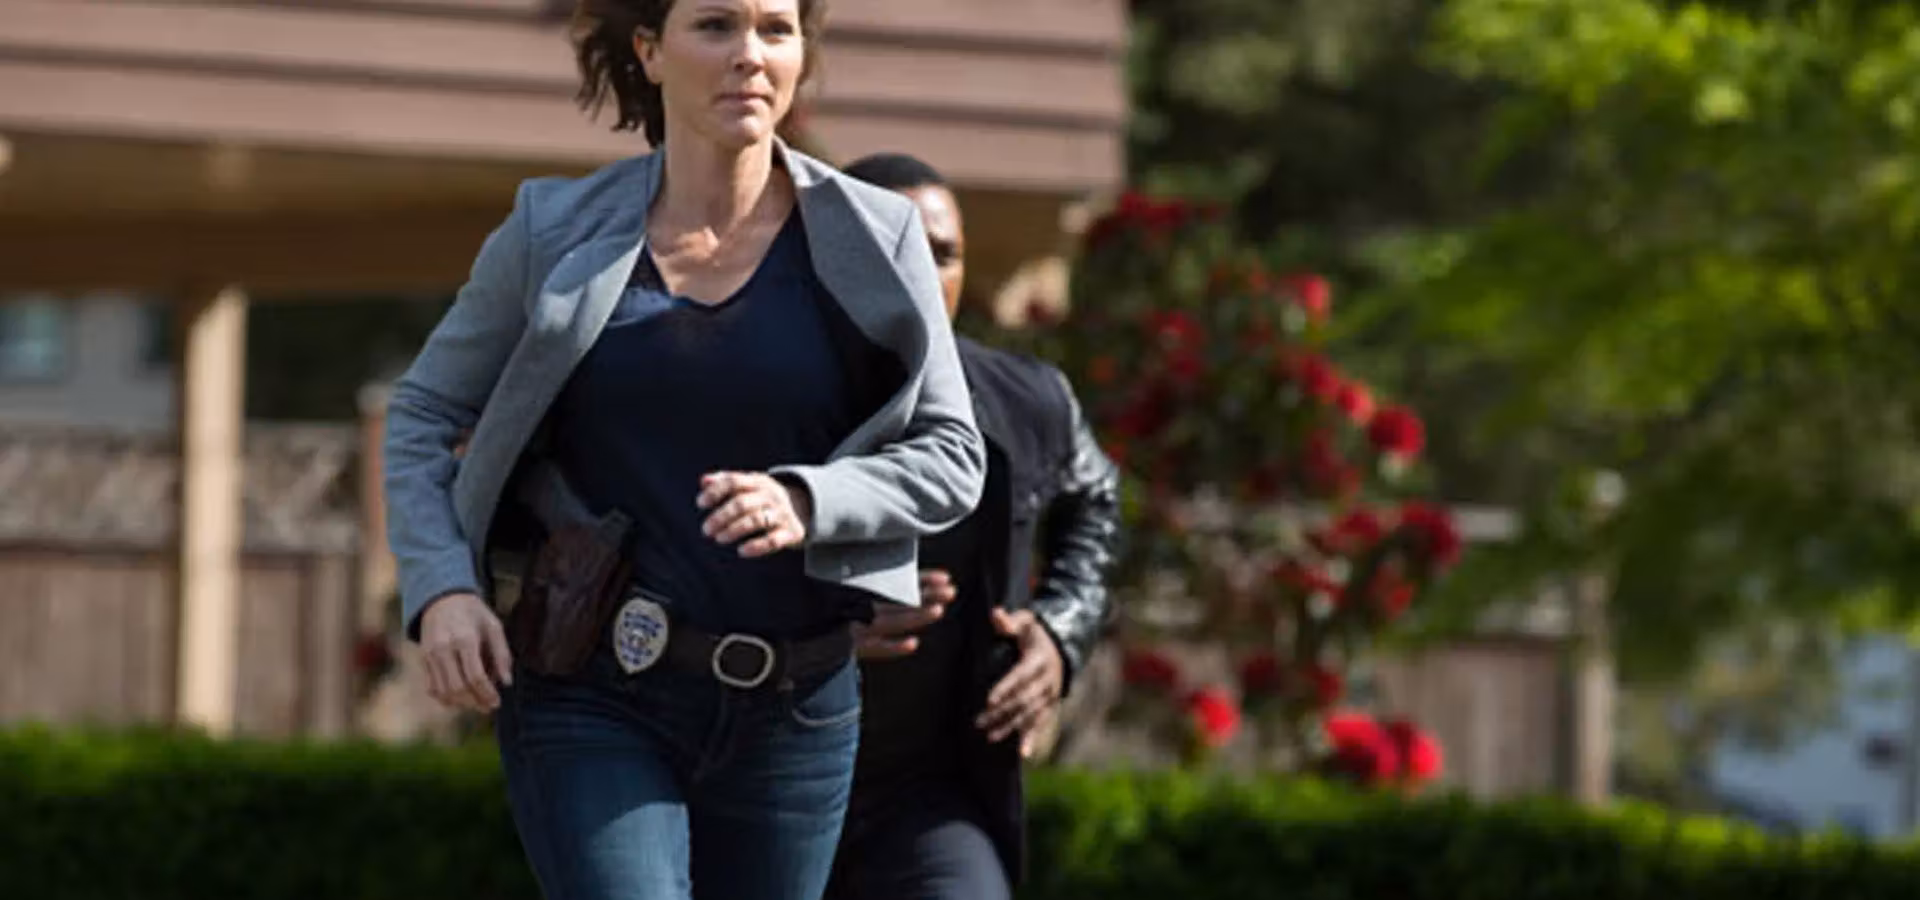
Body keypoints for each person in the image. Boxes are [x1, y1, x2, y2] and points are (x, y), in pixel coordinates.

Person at [379, 1, 986, 897]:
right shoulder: (551, 228)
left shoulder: (878, 234)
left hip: (798, 710)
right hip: (593, 688)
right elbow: (425, 410)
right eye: (715, 25)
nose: (750, 55)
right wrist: (443, 589)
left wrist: (811, 499)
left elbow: (951, 451)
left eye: (776, 30)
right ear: (650, 52)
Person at [825, 152, 1122, 900]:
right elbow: (679, 556)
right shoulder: (756, 401)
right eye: (897, 251)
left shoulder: (1028, 401)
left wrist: (1059, 630)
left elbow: (1095, 494)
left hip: (929, 799)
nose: (925, 275)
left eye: (945, 254)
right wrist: (809, 633)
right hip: (756, 779)